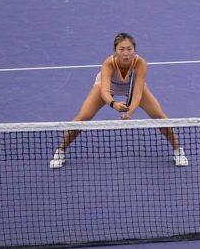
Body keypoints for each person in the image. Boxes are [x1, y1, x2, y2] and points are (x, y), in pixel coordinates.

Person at [49, 32, 187, 169]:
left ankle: (177, 151)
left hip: (131, 87)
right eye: (121, 49)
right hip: (109, 87)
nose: (126, 53)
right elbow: (104, 92)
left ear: (134, 50)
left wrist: (129, 112)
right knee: (83, 116)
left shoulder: (140, 63)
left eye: (129, 49)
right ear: (115, 50)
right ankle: (60, 151)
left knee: (159, 116)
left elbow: (138, 93)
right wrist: (114, 104)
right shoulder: (109, 63)